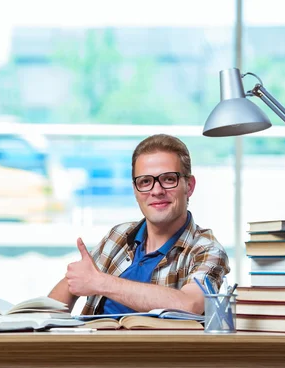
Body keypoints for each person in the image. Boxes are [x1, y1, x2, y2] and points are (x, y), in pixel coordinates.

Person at [48, 134, 230, 316]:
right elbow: (72, 286)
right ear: (135, 190)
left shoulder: (207, 250)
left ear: (189, 186)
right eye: (145, 182)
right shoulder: (118, 235)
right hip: (93, 343)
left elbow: (192, 305)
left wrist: (101, 283)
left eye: (168, 179)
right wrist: (33, 322)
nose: (157, 191)